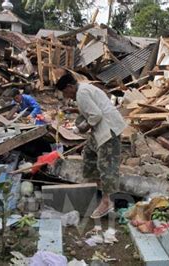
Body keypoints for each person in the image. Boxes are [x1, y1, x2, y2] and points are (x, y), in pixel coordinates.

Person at [56, 74, 126, 219]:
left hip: (108, 129)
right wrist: (75, 112)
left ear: (70, 87)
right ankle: (98, 191)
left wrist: (82, 128)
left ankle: (107, 202)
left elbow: (96, 115)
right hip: (102, 129)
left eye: (65, 92)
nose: (66, 96)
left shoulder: (81, 93)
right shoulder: (84, 89)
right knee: (89, 155)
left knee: (106, 165)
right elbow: (92, 109)